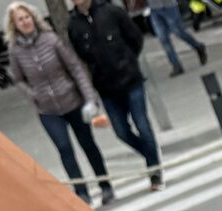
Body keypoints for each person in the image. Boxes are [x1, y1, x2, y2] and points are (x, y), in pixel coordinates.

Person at [4, 3, 116, 206]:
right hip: (47, 109)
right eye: (20, 20)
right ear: (14, 25)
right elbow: (18, 79)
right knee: (64, 148)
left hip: (71, 100)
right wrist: (32, 94)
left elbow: (75, 68)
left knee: (88, 144)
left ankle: (105, 185)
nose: (25, 22)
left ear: (34, 18)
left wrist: (89, 99)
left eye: (27, 17)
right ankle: (81, 193)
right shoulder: (15, 51)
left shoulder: (51, 39)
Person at [66, 0, 161, 189]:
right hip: (106, 87)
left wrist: (127, 61)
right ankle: (151, 155)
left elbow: (135, 38)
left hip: (130, 80)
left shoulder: (111, 11)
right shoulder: (74, 25)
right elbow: (81, 55)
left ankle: (154, 171)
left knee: (143, 126)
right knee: (121, 132)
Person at [142, 0, 206, 76]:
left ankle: (198, 46)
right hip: (153, 9)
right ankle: (176, 65)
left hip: (168, 6)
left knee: (179, 32)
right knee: (163, 38)